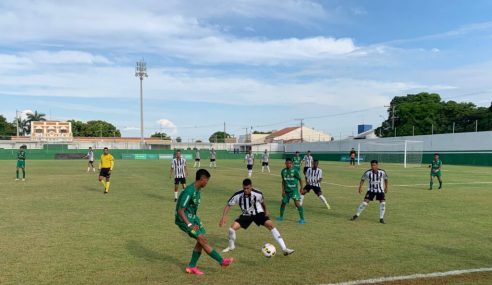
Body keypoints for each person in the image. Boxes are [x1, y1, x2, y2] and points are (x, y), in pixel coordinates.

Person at [175, 169, 234, 275]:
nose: (207, 183)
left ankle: (191, 266)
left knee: (201, 239)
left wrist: (193, 221)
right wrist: (189, 224)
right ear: (202, 179)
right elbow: (180, 211)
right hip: (185, 220)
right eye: (207, 180)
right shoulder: (189, 191)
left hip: (193, 218)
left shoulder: (198, 190)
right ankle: (222, 261)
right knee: (202, 240)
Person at [219, 178, 294, 255]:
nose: (246, 190)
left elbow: (262, 202)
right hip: (246, 214)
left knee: (271, 225)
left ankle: (284, 249)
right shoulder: (237, 195)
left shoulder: (258, 193)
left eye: (248, 188)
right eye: (244, 188)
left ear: (251, 187)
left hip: (258, 213)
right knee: (231, 229)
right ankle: (231, 246)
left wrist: (266, 210)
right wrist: (223, 216)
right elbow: (228, 205)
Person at [276, 158, 306, 224]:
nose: (288, 164)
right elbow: (283, 181)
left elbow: (300, 179)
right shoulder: (283, 171)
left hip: (294, 191)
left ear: (292, 164)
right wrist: (283, 191)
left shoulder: (295, 171)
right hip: (286, 191)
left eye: (289, 163)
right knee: (283, 203)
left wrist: (301, 188)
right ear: (285, 164)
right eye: (287, 163)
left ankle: (302, 219)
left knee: (297, 204)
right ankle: (281, 217)